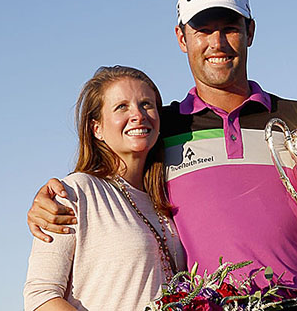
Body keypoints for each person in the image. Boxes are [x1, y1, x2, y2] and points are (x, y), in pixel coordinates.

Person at [27, 0, 297, 310]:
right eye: (202, 30)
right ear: (182, 37)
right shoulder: (162, 127)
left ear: (250, 31)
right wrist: (48, 202)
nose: (217, 43)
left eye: (229, 27)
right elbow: (113, 177)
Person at [23, 66, 186, 311]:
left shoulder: (167, 195)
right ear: (96, 128)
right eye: (122, 107)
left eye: (146, 104)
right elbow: (41, 296)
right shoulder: (75, 192)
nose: (138, 115)